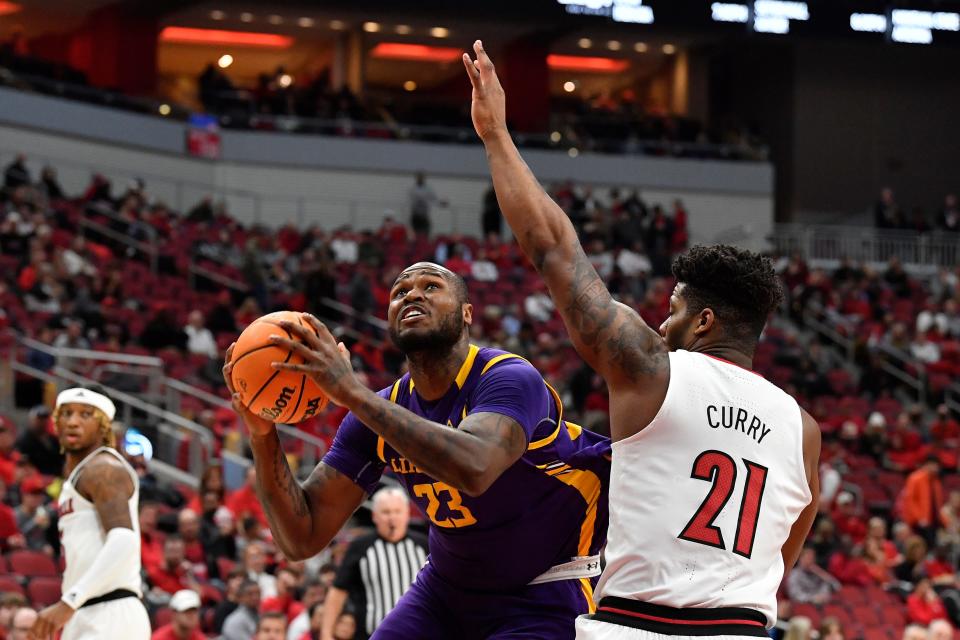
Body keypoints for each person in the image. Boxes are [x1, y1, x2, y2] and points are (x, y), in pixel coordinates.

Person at [462, 40, 820, 639]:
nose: (661, 323)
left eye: (674, 309)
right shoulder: (803, 430)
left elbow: (553, 248)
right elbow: (779, 558)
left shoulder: (653, 368)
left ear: (703, 322)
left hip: (636, 624)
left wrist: (496, 135)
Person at [223, 264, 611, 639]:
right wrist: (262, 434)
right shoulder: (375, 412)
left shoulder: (508, 377)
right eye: (399, 291)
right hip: (444, 593)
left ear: (466, 314)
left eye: (430, 286)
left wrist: (351, 393)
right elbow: (301, 538)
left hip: (541, 588)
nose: (411, 294)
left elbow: (475, 467)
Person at [29, 387, 150, 639]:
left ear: (104, 426)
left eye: (86, 415)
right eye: (67, 414)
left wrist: (69, 601)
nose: (73, 422)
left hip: (111, 611)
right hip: (86, 609)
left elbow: (124, 539)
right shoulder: (79, 474)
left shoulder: (104, 468)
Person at [322, 487, 428, 639]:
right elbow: (338, 590)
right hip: (371, 634)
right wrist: (326, 634)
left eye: (397, 511)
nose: (392, 517)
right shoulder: (360, 547)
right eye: (386, 512)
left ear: (407, 514)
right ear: (374, 516)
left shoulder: (423, 545)